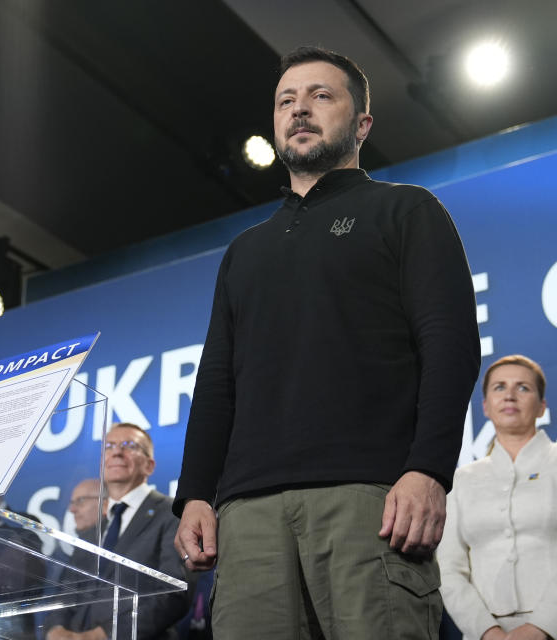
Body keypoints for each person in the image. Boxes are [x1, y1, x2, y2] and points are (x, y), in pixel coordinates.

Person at [173, 45, 481, 638]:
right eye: (287, 100)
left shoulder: (407, 210)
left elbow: (450, 345)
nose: (300, 109)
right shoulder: (245, 251)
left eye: (321, 95)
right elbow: (215, 384)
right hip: (249, 516)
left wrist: (428, 471)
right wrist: (194, 496)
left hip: (370, 502)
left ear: (362, 123)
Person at [438, 355, 557, 639]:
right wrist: (486, 631)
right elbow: (448, 569)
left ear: (542, 407)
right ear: (485, 407)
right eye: (499, 387)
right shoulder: (462, 480)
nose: (510, 396)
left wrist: (541, 626)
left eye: (523, 388)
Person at [46, 423, 192, 640]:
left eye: (129, 445)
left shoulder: (172, 514)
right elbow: (66, 592)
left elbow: (174, 592)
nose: (116, 452)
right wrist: (55, 630)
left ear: (149, 466)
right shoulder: (90, 533)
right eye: (109, 446)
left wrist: (103, 636)